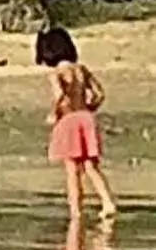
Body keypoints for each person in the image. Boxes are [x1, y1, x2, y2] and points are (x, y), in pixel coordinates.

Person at [38, 26, 120, 222]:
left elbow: (59, 94)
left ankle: (76, 211)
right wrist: (90, 108)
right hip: (86, 117)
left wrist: (53, 113)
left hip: (69, 120)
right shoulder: (81, 70)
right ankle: (107, 201)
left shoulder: (57, 73)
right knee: (91, 165)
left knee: (72, 169)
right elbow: (99, 94)